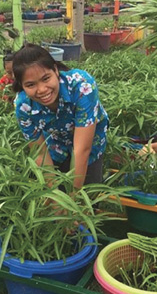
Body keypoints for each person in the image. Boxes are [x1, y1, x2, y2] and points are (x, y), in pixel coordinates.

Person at [13, 43, 109, 190]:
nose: (42, 90)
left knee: (88, 195)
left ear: (56, 70)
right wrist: (55, 195)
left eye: (46, 78)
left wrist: (74, 195)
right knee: (57, 193)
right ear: (21, 85)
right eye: (31, 85)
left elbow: (82, 149)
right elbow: (40, 153)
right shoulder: (23, 105)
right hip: (56, 142)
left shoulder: (82, 86)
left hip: (90, 141)